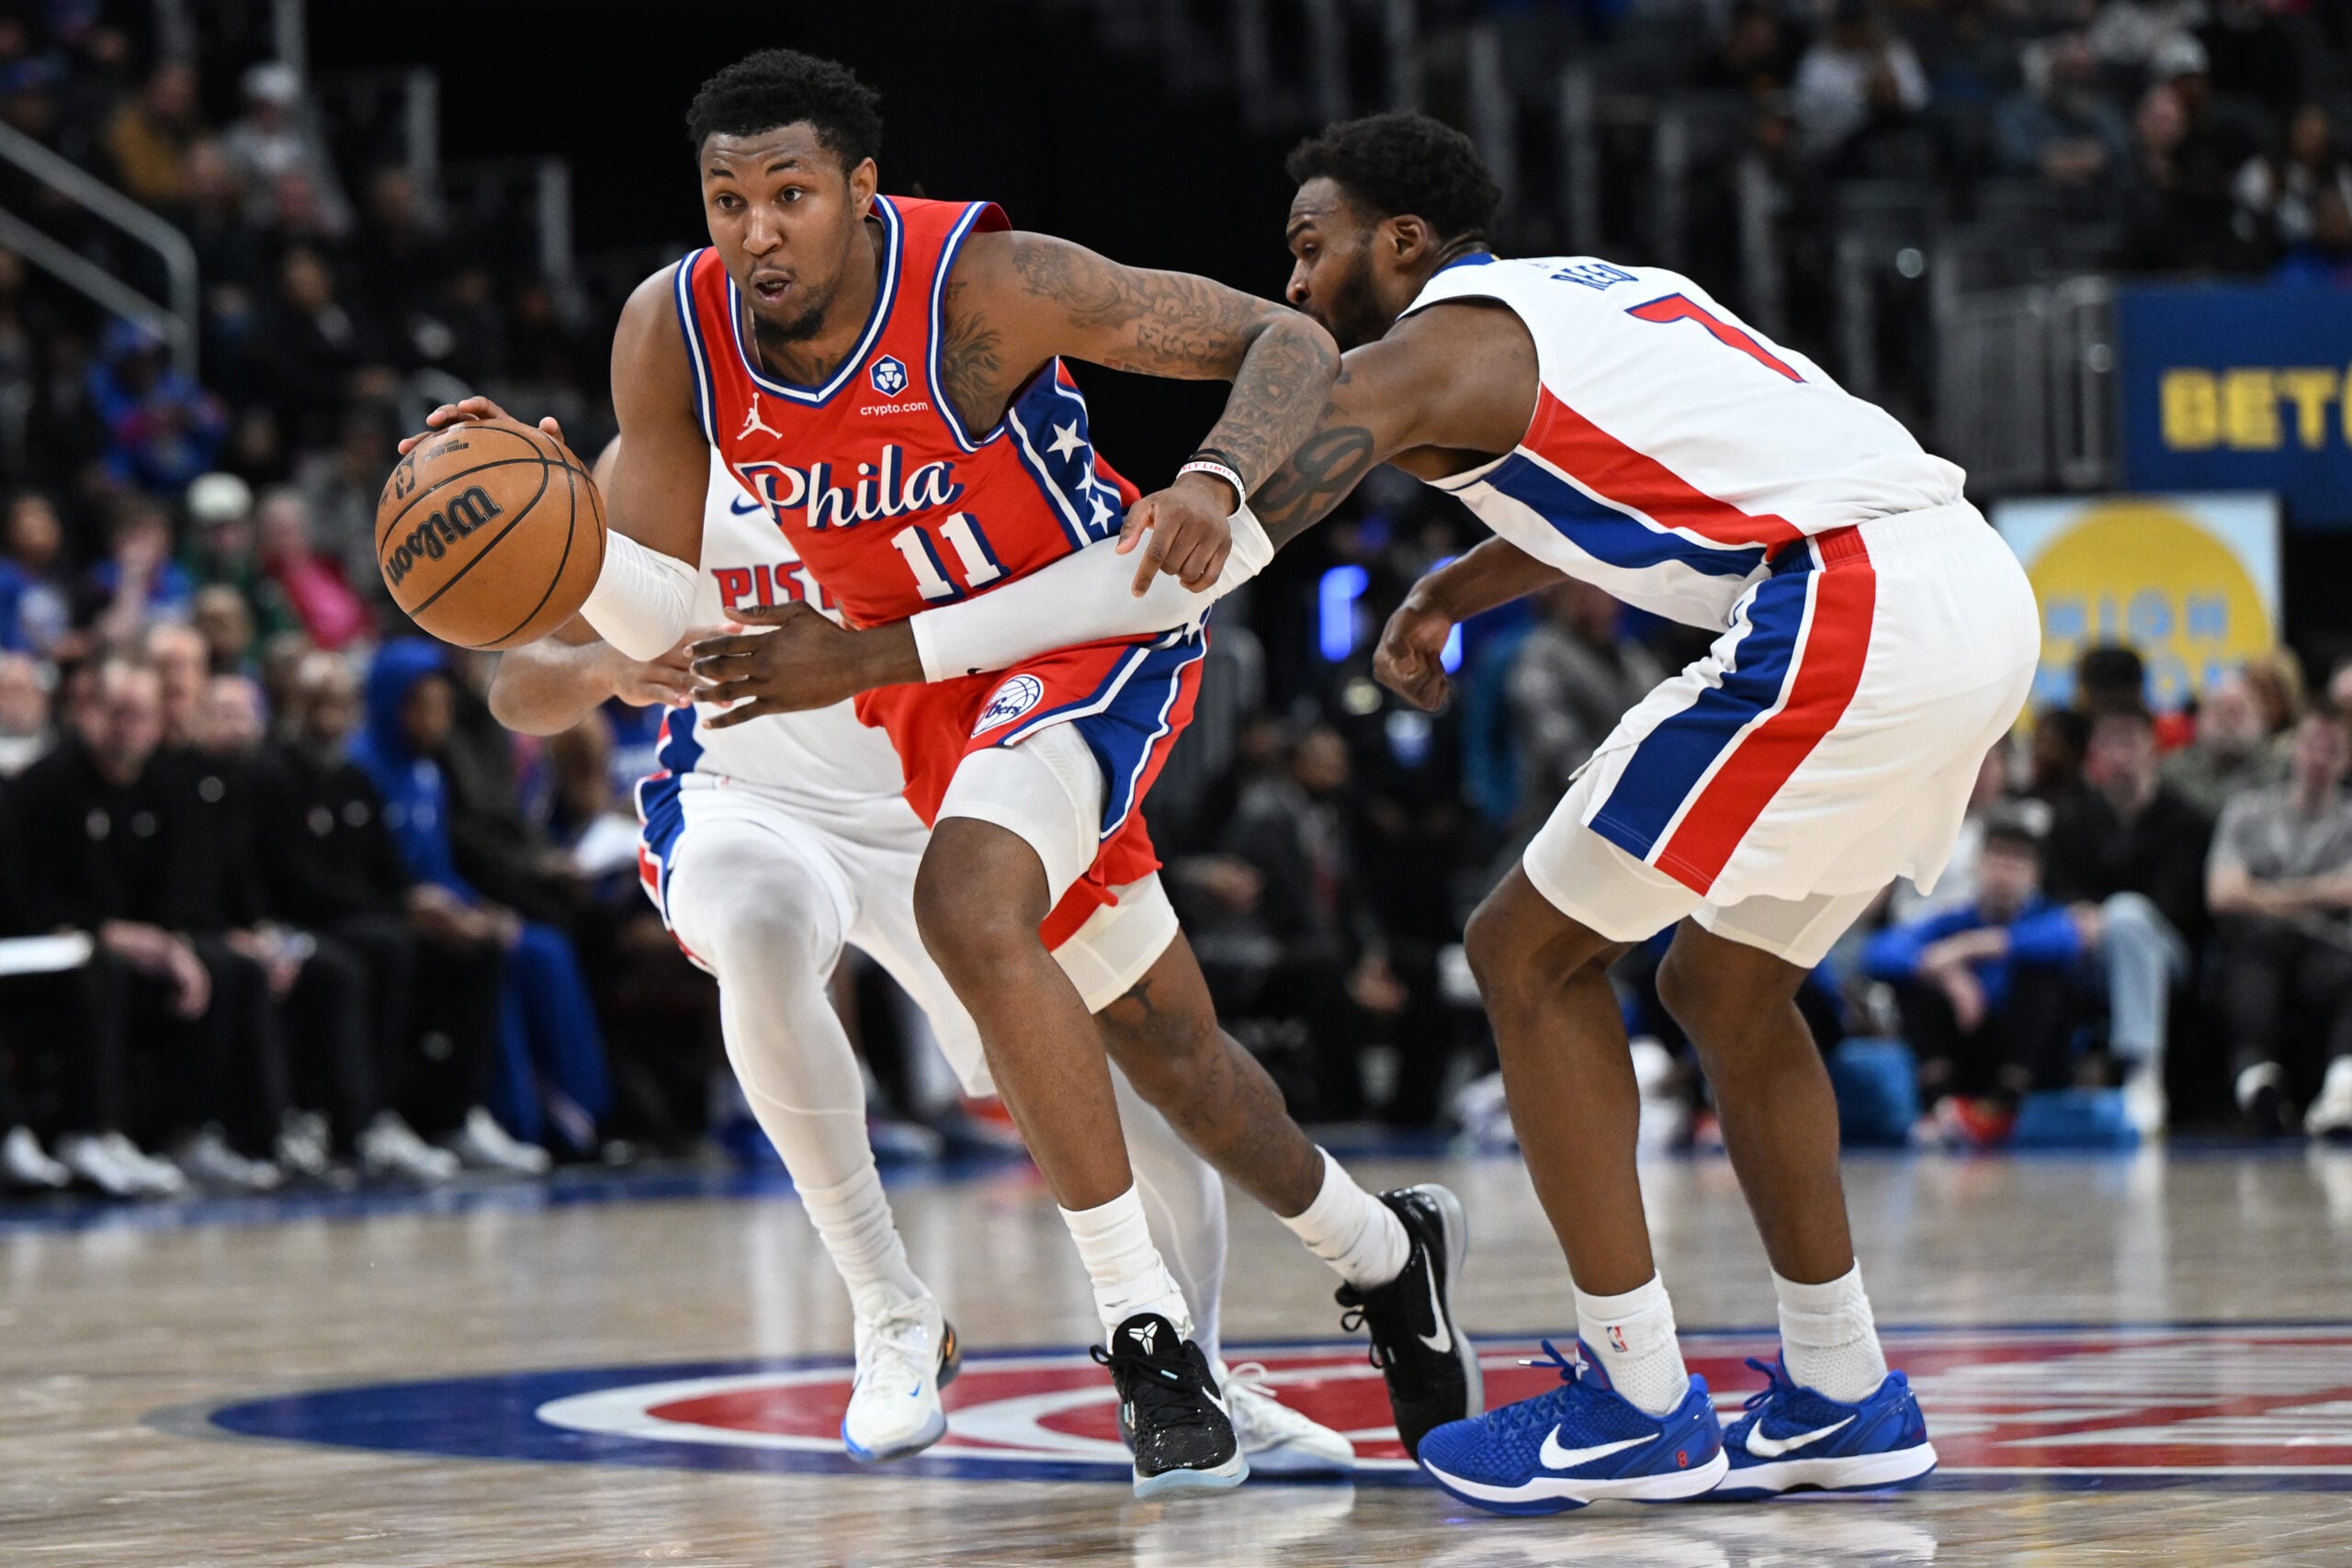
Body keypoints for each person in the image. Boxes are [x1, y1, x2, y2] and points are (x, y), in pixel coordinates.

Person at [734, 109, 2041, 1510]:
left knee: (1523, 954)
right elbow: (1678, 468)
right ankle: (1842, 1384)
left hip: (1844, 610)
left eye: (1313, 247)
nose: (1294, 286)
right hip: (1968, 586)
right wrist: (1453, 586)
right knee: (1727, 983)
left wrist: (880, 650)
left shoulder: (1418, 358)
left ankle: (1640, 1397)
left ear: (1402, 242)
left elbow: (1190, 570)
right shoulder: (1597, 293)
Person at [407, 50, 1474, 1497]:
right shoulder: (676, 335)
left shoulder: (986, 287)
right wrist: (575, 551)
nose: (757, 229)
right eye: (728, 200)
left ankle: (1146, 1334)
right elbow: (587, 637)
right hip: (909, 694)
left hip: (1081, 626)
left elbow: (1287, 350)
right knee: (1173, 1053)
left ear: (860, 192)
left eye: (789, 194)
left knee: (978, 907)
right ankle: (1381, 1248)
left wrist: (1215, 478)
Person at [491, 443, 1351, 1472]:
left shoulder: (915, 423)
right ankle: (889, 1309)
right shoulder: (659, 448)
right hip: (745, 797)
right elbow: (517, 685)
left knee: (1140, 1108)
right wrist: (602, 667)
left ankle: (1195, 1369)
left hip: (938, 806)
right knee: (758, 929)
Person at [248, 650, 503, 1181]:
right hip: (301, 925)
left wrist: (434, 905)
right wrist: (405, 907)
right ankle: (365, 1120)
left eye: (340, 704)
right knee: (384, 949)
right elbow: (298, 885)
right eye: (316, 704)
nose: (328, 717)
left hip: (367, 918)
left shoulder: (353, 779)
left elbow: (388, 869)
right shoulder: (270, 777)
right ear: (292, 707)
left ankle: (453, 1116)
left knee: (477, 950)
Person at [348, 641, 599, 1172]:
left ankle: (575, 1116)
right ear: (394, 705)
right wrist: (424, 905)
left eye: (442, 705)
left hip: (440, 906)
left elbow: (440, 866)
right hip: (390, 915)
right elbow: (370, 872)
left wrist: (477, 907)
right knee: (486, 955)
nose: (438, 719)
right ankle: (503, 1115)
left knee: (538, 945)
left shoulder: (427, 773)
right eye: (425, 706)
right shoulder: (361, 770)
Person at [1866, 814, 2089, 1145]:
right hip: (1968, 1049)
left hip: (2033, 1061)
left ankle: (2003, 1104)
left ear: (2036, 874)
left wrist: (1977, 946)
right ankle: (1940, 1104)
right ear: (1976, 865)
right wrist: (1947, 974)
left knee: (2043, 976)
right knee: (1917, 981)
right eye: (1996, 860)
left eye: (2017, 864)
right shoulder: (1954, 919)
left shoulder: (2046, 917)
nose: (2003, 874)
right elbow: (1878, 952)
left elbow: (2067, 938)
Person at [2040, 705, 2211, 1132]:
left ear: (2153, 749)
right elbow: (2057, 891)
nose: (2120, 754)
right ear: (2093, 753)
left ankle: (2143, 1071)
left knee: (2129, 916)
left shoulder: (2185, 819)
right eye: (2109, 743)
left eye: (2130, 741)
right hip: (2088, 949)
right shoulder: (2071, 817)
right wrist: (2086, 918)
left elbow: (2182, 906)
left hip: (2165, 954)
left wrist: (2111, 918)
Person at [2207, 705, 2352, 1138]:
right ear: (2293, 749)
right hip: (2258, 945)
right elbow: (2223, 895)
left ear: (2346, 761)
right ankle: (2258, 1088)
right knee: (2246, 974)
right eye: (2310, 745)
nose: (2317, 758)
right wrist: (2314, 894)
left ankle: (2342, 1093)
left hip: (2330, 947)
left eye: (2331, 750)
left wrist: (2264, 893)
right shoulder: (2248, 811)